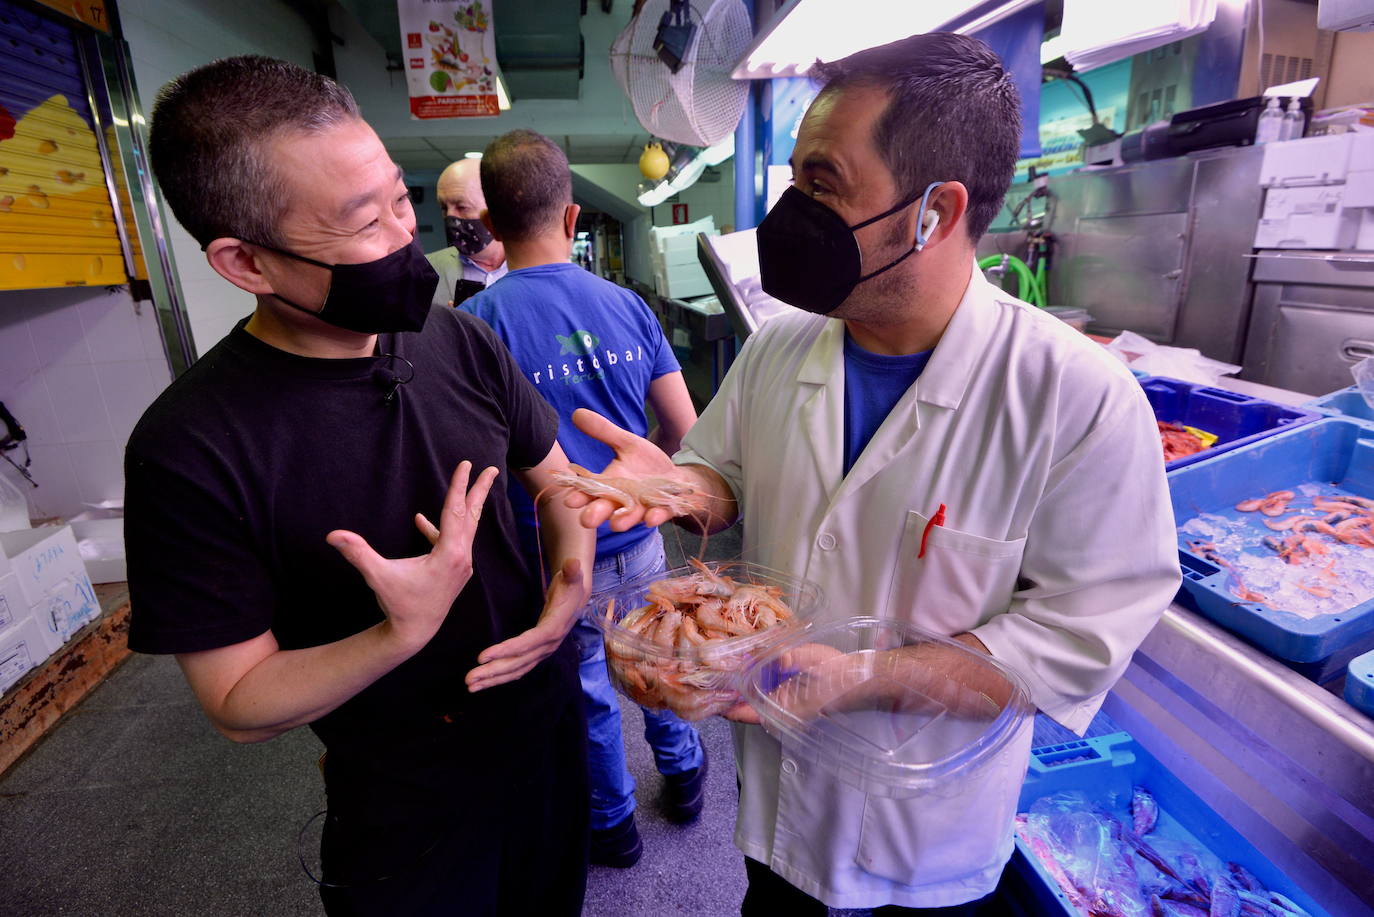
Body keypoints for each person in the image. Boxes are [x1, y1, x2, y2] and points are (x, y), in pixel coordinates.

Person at [560, 32, 1182, 914]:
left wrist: (863, 676)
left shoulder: (1076, 397)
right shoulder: (780, 345)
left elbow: (1073, 638)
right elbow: (722, 468)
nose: (790, 212)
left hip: (921, 847)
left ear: (934, 211)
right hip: (775, 823)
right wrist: (679, 487)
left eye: (823, 185)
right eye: (794, 182)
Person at [125, 56, 596, 916]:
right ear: (246, 261)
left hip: (546, 736)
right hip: (406, 798)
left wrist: (571, 579)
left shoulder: (460, 339)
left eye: (399, 200)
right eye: (362, 222)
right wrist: (397, 632)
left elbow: (556, 480)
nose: (403, 238)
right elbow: (236, 700)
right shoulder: (190, 445)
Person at [459, 129, 706, 869]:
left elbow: (478, 464)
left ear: (492, 226)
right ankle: (688, 777)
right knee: (661, 657)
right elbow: (685, 429)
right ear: (573, 218)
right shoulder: (629, 306)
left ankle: (614, 826)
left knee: (590, 688)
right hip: (641, 534)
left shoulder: (476, 325)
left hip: (554, 555)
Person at [427, 158, 508, 308]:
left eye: (462, 207)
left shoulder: (536, 268)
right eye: (444, 208)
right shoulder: (424, 271)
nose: (451, 217)